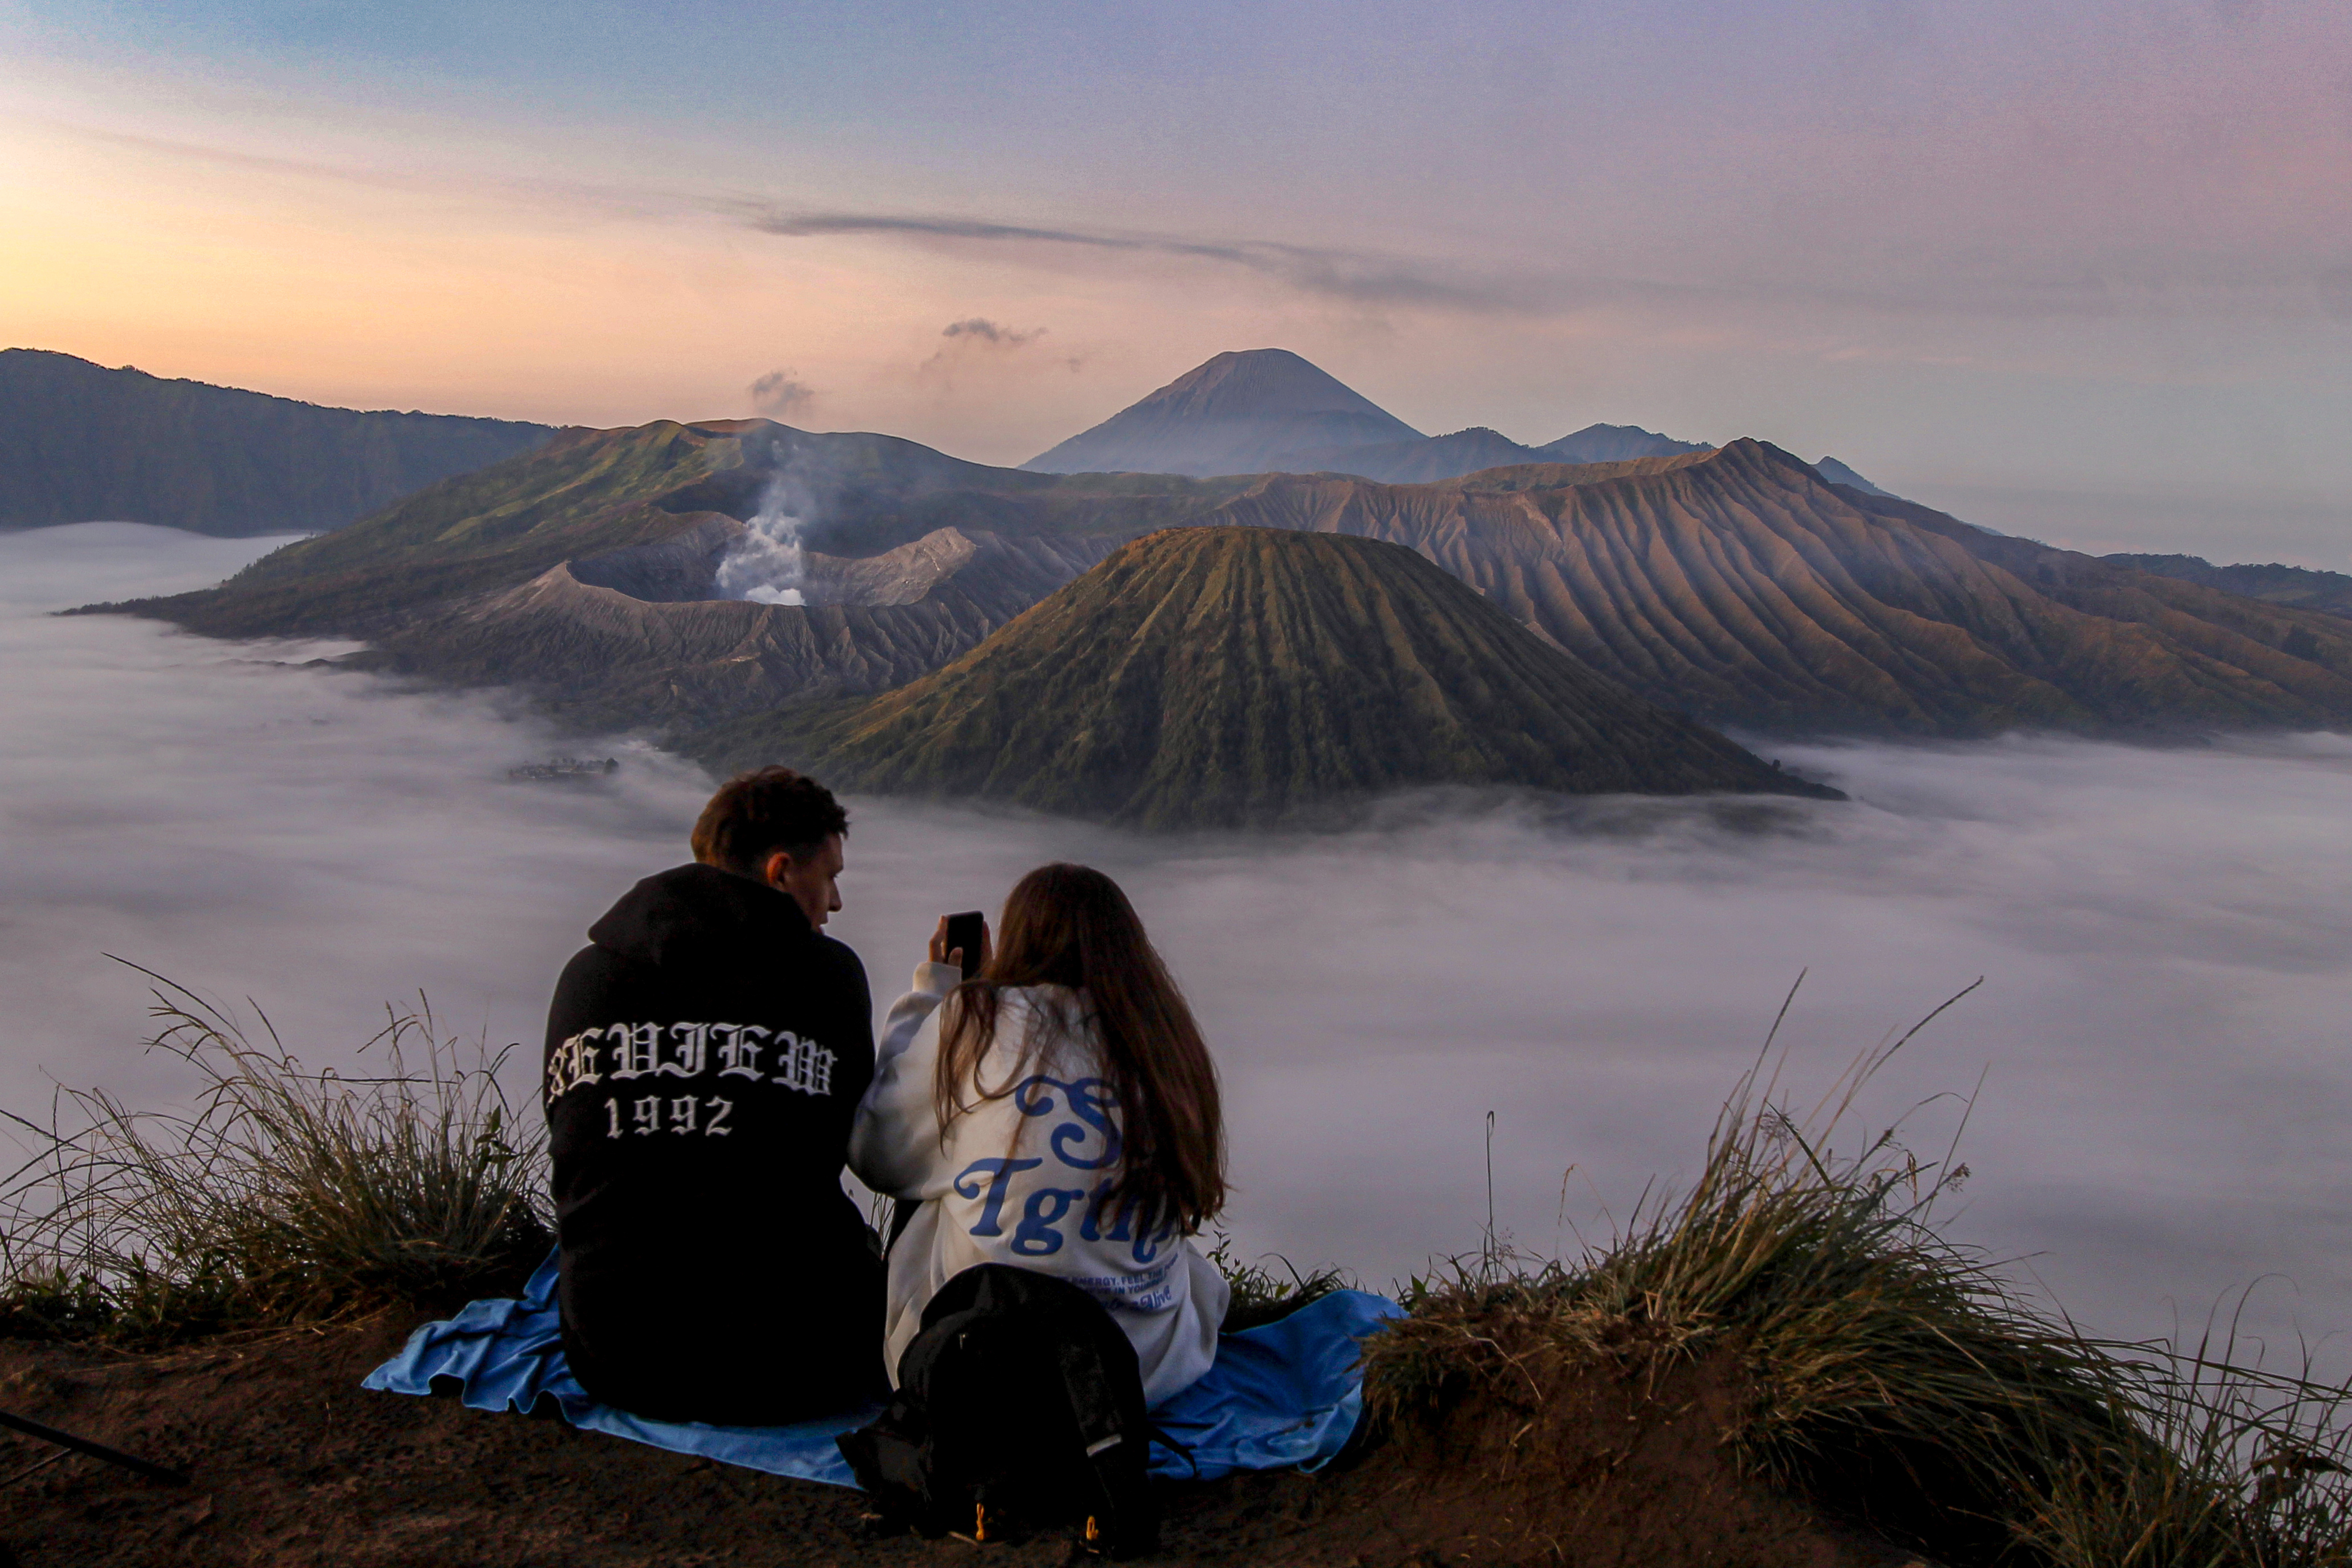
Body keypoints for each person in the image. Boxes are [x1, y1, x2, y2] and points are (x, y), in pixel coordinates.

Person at [541, 766, 882, 1425]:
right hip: (799, 1361)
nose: (835, 901)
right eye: (830, 876)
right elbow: (863, 1146)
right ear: (783, 872)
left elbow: (574, 1137)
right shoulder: (827, 977)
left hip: (612, 1355)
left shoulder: (587, 976)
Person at [849, 862, 1230, 1405]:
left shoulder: (977, 1017)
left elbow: (877, 1154)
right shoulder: (1161, 1038)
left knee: (933, 1174)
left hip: (983, 1360)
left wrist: (933, 997)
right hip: (1142, 1370)